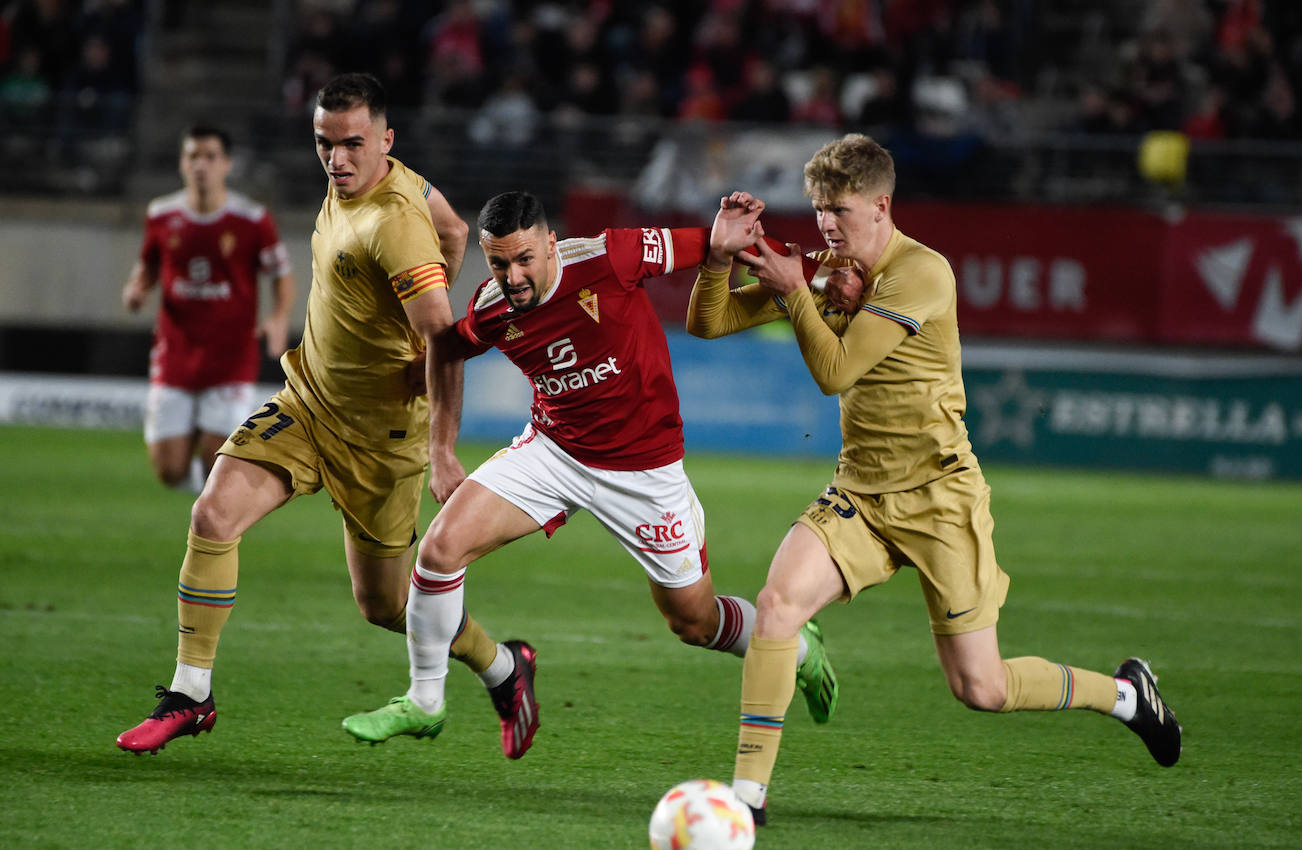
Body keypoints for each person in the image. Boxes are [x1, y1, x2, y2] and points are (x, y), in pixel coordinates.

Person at [687, 133, 1182, 824]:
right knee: (775, 606)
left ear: (881, 205)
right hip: (860, 493)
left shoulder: (922, 273)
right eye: (820, 208)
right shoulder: (828, 272)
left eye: (841, 209)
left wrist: (797, 294)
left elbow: (835, 372)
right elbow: (706, 322)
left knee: (981, 687)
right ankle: (747, 800)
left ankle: (1127, 695)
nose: (827, 224)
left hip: (940, 498)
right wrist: (717, 263)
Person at [339, 191, 839, 759]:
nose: (513, 276)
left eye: (525, 259)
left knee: (693, 621)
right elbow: (447, 349)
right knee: (439, 549)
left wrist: (823, 279)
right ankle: (425, 701)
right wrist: (442, 447)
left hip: (645, 470)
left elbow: (723, 244)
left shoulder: (609, 259)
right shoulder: (492, 307)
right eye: (499, 263)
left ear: (551, 245)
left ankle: (797, 649)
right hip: (555, 453)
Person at [116, 72, 476, 755]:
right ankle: (190, 693)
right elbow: (454, 224)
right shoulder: (384, 176)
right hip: (309, 403)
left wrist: (442, 450)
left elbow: (444, 338)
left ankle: (499, 662)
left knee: (385, 607)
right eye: (325, 143)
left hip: (382, 434)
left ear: (385, 141)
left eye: (352, 145)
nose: (336, 160)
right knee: (212, 514)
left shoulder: (395, 226)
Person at [122, 124, 296, 493]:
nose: (201, 164)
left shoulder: (251, 219)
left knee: (216, 462)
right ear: (182, 164)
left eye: (210, 156)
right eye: (193, 156)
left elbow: (282, 273)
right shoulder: (161, 214)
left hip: (230, 356)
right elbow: (150, 264)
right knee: (169, 472)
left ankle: (210, 518)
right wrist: (138, 287)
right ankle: (201, 484)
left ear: (227, 164)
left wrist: (279, 316)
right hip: (175, 352)